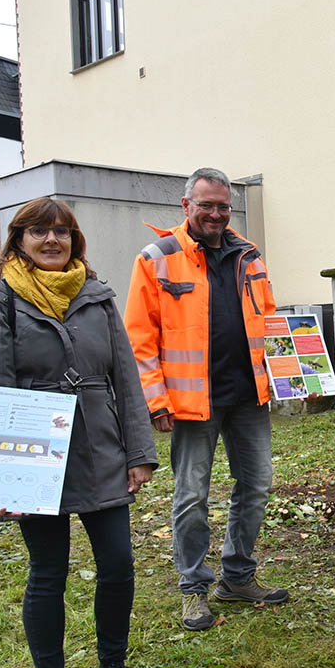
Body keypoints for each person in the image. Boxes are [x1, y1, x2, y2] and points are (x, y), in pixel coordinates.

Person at [0, 197, 158, 668]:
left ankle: (111, 666)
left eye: (63, 232)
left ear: (75, 240)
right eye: (39, 232)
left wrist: (140, 454)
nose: (52, 240)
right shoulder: (1, 300)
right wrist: (0, 476)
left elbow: (126, 379)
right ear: (19, 239)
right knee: (48, 574)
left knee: (119, 565)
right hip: (35, 453)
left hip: (101, 448)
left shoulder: (97, 298)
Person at [125, 167, 287, 632]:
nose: (215, 214)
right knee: (192, 495)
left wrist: (288, 373)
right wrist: (156, 400)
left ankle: (237, 576)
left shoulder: (248, 256)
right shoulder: (157, 258)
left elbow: (270, 321)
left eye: (222, 206)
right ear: (186, 206)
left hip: (248, 397)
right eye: (206, 205)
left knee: (256, 486)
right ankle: (194, 587)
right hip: (192, 402)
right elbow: (140, 338)